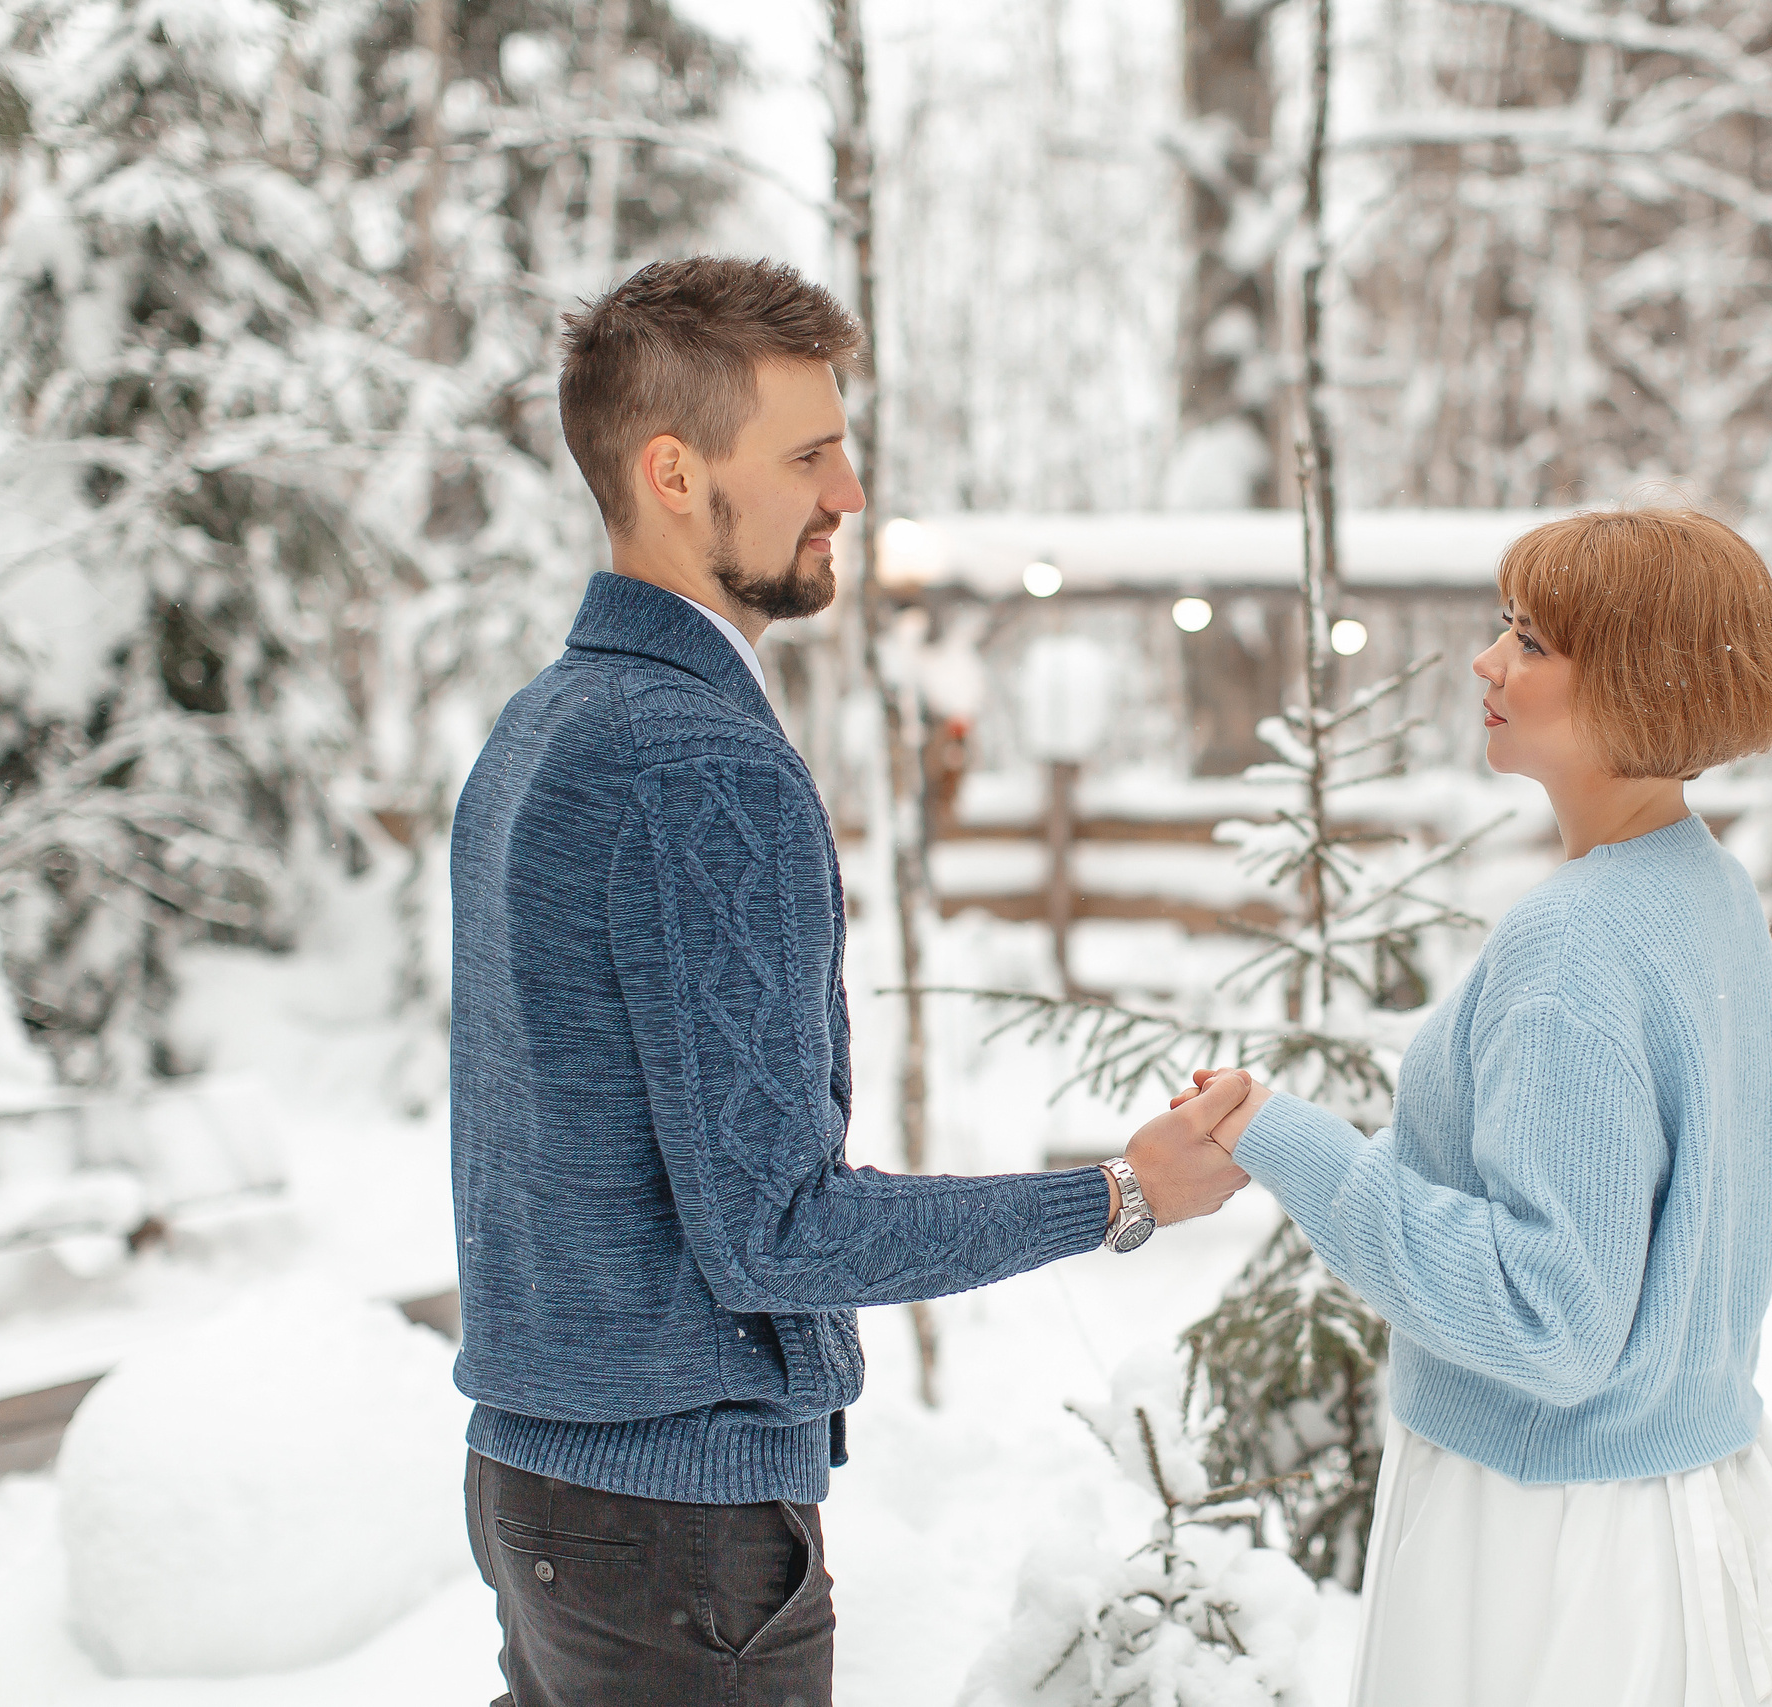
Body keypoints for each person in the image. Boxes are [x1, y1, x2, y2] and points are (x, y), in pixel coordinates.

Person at [445, 255, 1250, 1707]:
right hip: (668, 1530)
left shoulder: (544, 725)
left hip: (542, 1486)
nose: (851, 492)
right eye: (810, 452)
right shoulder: (699, 761)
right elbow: (779, 1232)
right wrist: (1123, 1194)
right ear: (676, 472)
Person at [1181, 509, 1772, 1707]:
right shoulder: (1706, 890)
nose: (1487, 663)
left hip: (1545, 1545)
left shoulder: (1574, 946)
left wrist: (1289, 1140)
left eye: (1529, 640)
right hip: (1675, 1504)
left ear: (1635, 684)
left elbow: (1547, 1318)